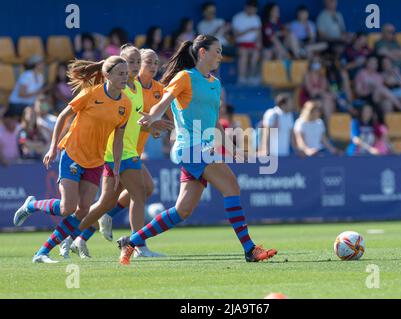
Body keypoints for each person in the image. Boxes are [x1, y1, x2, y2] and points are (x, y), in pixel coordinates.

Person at [119, 34, 277, 265]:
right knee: (231, 186)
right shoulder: (185, 77)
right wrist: (153, 116)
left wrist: (232, 148)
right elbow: (165, 100)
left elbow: (213, 123)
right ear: (202, 52)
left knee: (182, 210)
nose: (221, 56)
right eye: (218, 51)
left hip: (202, 147)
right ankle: (249, 250)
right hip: (191, 147)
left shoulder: (215, 83)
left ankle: (131, 241)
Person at [12, 55, 133, 263]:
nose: (125, 77)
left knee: (83, 209)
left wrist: (116, 166)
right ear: (107, 75)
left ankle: (42, 252)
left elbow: (118, 139)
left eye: (126, 73)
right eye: (120, 73)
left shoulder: (126, 104)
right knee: (67, 208)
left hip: (96, 161)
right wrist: (52, 147)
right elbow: (63, 116)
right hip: (73, 154)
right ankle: (31, 205)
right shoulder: (91, 93)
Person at [60, 45, 174, 259]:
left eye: (137, 62)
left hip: (130, 151)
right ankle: (138, 246)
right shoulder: (116, 89)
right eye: (132, 62)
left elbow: (133, 121)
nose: (136, 66)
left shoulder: (136, 89)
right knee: (139, 194)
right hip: (116, 152)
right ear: (120, 63)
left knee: (109, 201)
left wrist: (152, 127)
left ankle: (75, 236)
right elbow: (114, 123)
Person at [232, 0, 262, 85]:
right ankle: (242, 78)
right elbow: (235, 35)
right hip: (240, 45)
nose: (253, 11)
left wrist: (259, 43)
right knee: (244, 52)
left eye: (254, 9)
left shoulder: (256, 18)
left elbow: (259, 34)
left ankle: (251, 77)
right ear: (247, 8)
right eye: (251, 9)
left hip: (253, 44)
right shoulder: (237, 18)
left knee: (256, 53)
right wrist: (249, 30)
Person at [260, 92, 295, 157]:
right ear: (283, 104)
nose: (292, 105)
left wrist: (297, 150)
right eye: (290, 103)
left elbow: (291, 135)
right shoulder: (271, 113)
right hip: (272, 156)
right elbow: (266, 132)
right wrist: (266, 150)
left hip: (284, 155)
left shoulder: (290, 116)